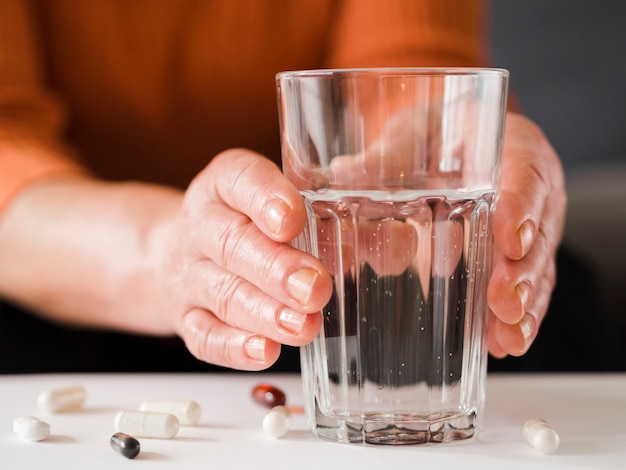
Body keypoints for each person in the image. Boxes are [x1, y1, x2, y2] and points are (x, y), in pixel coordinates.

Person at [0, 0, 569, 373]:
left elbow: (412, 64)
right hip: (69, 287)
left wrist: (445, 138)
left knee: (556, 310)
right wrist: (165, 252)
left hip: (325, 283)